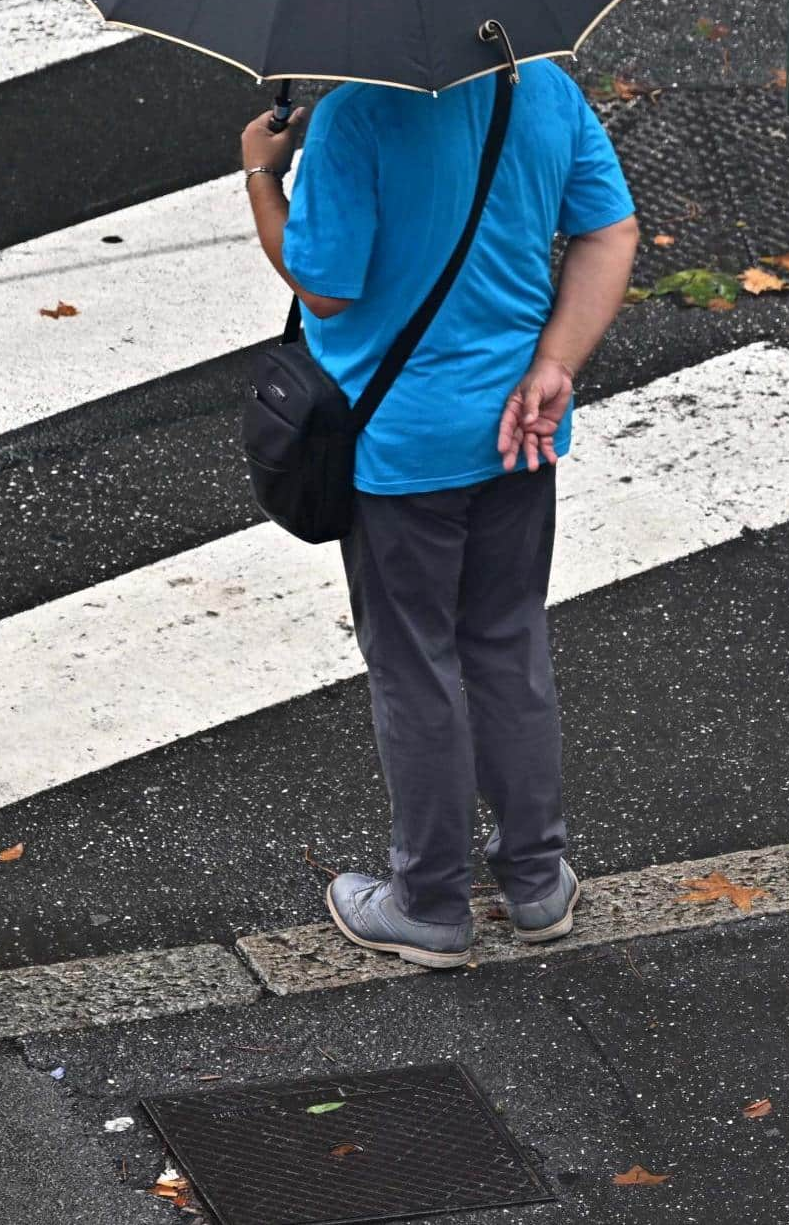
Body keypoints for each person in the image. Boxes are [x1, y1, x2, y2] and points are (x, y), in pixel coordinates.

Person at [238, 60, 639, 969]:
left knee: (415, 665)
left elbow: (326, 286)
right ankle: (538, 883)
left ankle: (428, 904)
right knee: (507, 642)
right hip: (519, 430)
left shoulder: (355, 118)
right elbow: (608, 229)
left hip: (401, 449)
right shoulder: (539, 89)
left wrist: (263, 176)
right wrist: (556, 365)